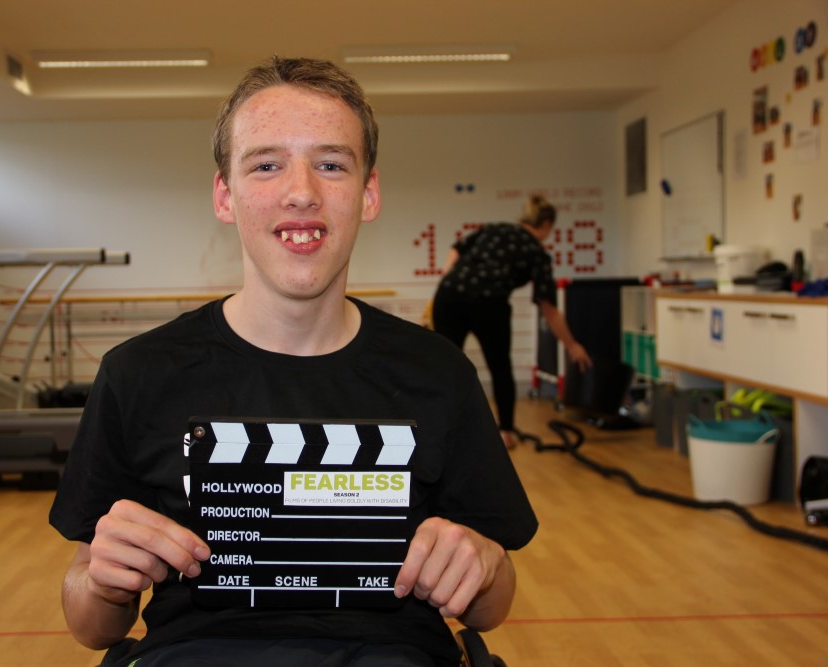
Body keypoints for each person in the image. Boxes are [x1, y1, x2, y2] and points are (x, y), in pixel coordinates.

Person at [49, 56, 538, 667]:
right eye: (267, 165)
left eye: (332, 164)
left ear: (369, 193)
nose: (301, 191)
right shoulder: (138, 374)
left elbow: (491, 606)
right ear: (225, 195)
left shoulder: (439, 374)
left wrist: (485, 568)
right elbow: (91, 627)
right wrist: (100, 580)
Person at [429, 196, 592, 451]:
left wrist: (447, 276)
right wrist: (572, 345)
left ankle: (437, 429)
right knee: (500, 368)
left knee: (445, 365)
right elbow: (548, 307)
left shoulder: (495, 229)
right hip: (490, 304)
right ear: (546, 225)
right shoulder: (537, 252)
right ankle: (505, 432)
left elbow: (456, 248)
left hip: (449, 296)